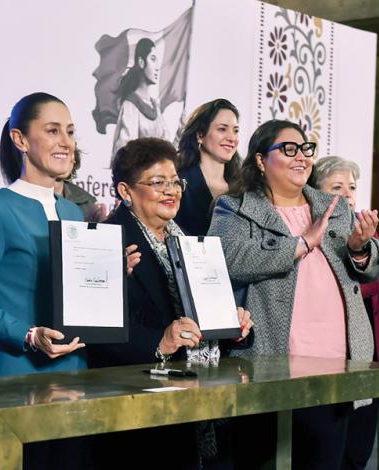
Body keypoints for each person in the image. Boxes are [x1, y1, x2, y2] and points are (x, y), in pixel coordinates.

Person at [0, 92, 138, 469]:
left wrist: (107, 276)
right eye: (52, 130)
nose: (65, 142)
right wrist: (29, 334)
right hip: (15, 377)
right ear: (20, 140)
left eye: (70, 132)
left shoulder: (72, 211)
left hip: (73, 375)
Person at [208, 119, 379, 469]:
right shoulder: (235, 206)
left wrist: (360, 248)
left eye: (306, 149)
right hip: (267, 359)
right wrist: (300, 245)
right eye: (288, 149)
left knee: (323, 459)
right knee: (259, 458)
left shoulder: (332, 206)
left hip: (334, 359)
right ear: (261, 160)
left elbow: (376, 264)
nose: (301, 157)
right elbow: (225, 259)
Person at [88, 137, 253, 469]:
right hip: (136, 409)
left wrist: (233, 326)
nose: (171, 190)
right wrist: (159, 343)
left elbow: (207, 320)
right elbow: (96, 332)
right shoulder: (104, 242)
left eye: (175, 181)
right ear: (124, 191)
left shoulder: (192, 242)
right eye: (157, 182)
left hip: (200, 402)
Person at [309, 155, 379, 469]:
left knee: (359, 452)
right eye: (337, 187)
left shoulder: (365, 232)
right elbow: (348, 291)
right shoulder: (313, 235)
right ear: (315, 191)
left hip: (371, 355)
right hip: (332, 359)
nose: (348, 194)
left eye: (351, 186)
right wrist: (365, 266)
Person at [174, 98, 242, 236]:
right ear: (200, 135)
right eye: (222, 129)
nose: (231, 138)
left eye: (235, 131)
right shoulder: (178, 182)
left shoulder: (244, 188)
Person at [112, 37, 169, 155]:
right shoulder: (130, 106)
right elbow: (125, 152)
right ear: (141, 62)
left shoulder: (155, 107)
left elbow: (167, 149)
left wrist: (180, 131)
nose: (157, 67)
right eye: (153, 59)